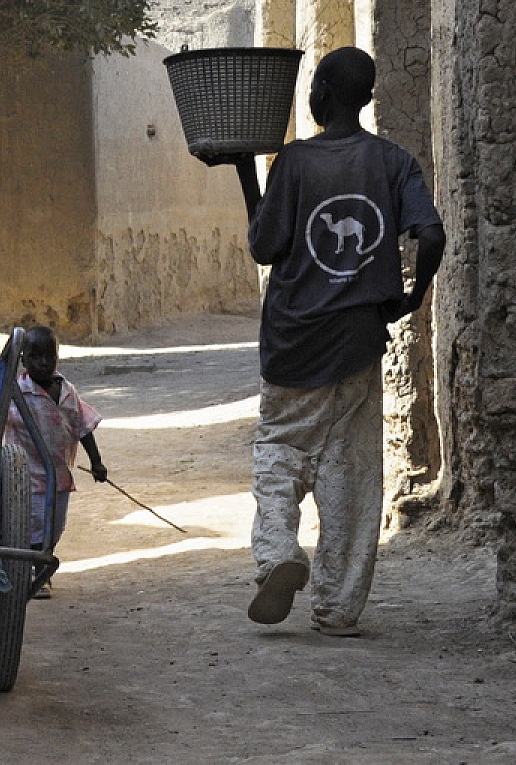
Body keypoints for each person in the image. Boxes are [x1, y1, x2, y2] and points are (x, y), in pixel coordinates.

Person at [208, 45, 445, 636]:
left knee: (278, 454)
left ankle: (278, 552)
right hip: (359, 343)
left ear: (320, 94)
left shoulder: (291, 164)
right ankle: (338, 609)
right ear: (365, 98)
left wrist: (245, 171)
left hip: (293, 343)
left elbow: (264, 248)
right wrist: (413, 299)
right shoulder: (394, 162)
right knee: (352, 476)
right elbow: (432, 233)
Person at [2, 325, 108, 599]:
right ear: (23, 360)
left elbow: (83, 427)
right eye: (36, 357)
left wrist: (96, 463)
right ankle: (36, 572)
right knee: (35, 522)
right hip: (26, 472)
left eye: (50, 356)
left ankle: (42, 562)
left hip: (58, 473)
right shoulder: (16, 393)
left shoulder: (67, 391)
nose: (44, 363)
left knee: (55, 524)